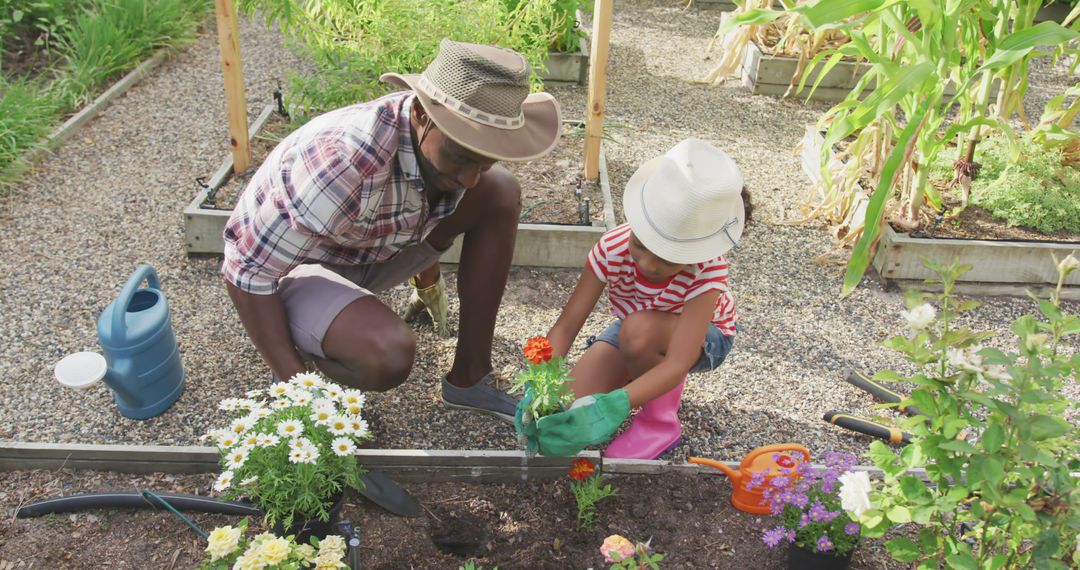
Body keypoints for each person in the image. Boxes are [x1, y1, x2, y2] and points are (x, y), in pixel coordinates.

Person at [221, 39, 562, 423]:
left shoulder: (441, 156)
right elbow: (246, 270)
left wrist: (427, 281)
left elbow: (423, 199)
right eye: (461, 157)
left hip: (368, 248)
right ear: (420, 112)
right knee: (388, 354)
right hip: (299, 270)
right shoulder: (345, 164)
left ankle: (470, 377)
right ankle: (304, 344)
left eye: (483, 161)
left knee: (499, 190)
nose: (469, 177)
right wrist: (300, 396)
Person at [516, 138, 750, 457]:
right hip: (635, 329)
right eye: (640, 245)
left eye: (667, 259)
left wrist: (619, 402)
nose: (648, 265)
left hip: (703, 337)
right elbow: (567, 325)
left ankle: (659, 423)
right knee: (564, 409)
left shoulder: (706, 270)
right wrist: (539, 381)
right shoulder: (612, 248)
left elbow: (679, 361)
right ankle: (635, 366)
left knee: (638, 333)